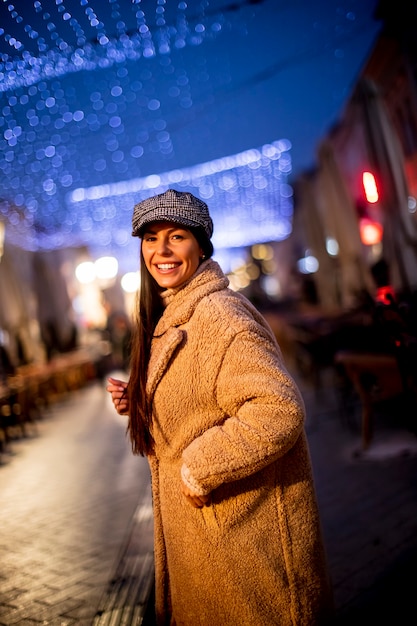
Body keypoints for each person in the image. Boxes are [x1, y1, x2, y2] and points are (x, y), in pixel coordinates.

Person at [106, 188, 334, 626]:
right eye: (150, 239)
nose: (161, 251)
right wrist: (142, 402)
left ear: (201, 245)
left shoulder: (219, 315)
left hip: (243, 546)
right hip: (213, 546)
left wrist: (200, 466)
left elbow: (277, 408)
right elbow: (200, 398)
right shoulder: (174, 313)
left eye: (176, 237)